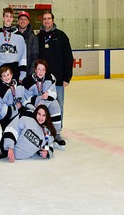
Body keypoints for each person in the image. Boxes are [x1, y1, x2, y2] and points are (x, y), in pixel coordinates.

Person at [37, 11, 73, 146]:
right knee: (43, 105)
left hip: (58, 79)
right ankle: (44, 129)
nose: (46, 21)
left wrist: (67, 76)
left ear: (53, 20)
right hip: (43, 80)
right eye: (44, 19)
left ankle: (57, 132)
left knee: (58, 105)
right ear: (42, 21)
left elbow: (68, 57)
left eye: (49, 18)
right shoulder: (38, 37)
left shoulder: (61, 36)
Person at [22, 59, 64, 148]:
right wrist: (40, 98)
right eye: (39, 69)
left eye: (43, 69)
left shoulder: (50, 77)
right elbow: (27, 99)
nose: (41, 72)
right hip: (33, 105)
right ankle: (38, 134)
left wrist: (44, 99)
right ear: (35, 70)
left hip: (46, 102)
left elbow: (53, 94)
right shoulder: (27, 81)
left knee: (55, 105)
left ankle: (56, 134)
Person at [0, 7, 27, 82]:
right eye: (6, 16)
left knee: (14, 93)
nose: (9, 18)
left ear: (13, 19)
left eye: (11, 16)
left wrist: (23, 74)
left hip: (14, 70)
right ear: (3, 18)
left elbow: (23, 57)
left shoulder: (20, 36)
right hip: (0, 69)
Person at [0, 66, 25, 131]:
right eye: (4, 76)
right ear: (1, 78)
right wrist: (16, 107)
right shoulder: (0, 90)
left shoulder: (16, 84)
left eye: (8, 75)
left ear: (11, 75)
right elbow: (1, 110)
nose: (6, 77)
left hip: (16, 113)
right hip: (6, 119)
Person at [17, 11, 39, 76]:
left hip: (27, 73)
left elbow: (35, 57)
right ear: (18, 21)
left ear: (28, 22)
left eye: (25, 19)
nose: (23, 21)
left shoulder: (33, 37)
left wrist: (30, 74)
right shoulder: (13, 36)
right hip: (14, 73)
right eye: (21, 19)